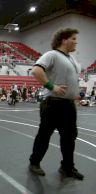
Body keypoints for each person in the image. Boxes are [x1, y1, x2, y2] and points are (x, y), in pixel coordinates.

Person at [29, 28, 84, 180]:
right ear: (63, 39)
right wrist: (52, 86)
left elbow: (70, 79)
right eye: (73, 38)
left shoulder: (72, 60)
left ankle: (67, 167)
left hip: (68, 104)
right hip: (52, 103)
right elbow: (36, 71)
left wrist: (75, 93)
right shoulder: (52, 55)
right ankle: (34, 163)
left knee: (69, 137)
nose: (76, 42)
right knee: (44, 135)